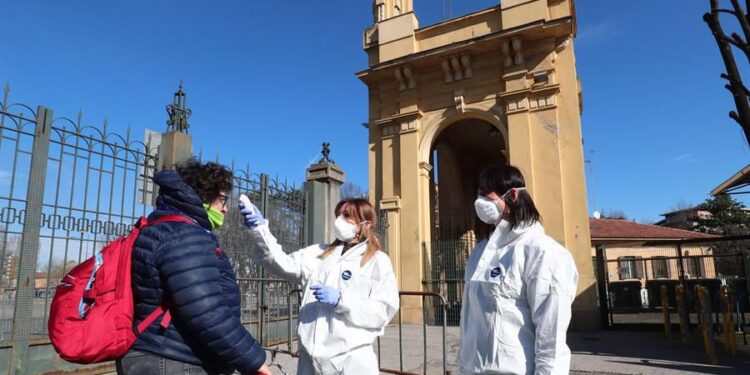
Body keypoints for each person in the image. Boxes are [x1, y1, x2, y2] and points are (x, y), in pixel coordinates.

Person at [117, 159, 271, 375]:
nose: (226, 209)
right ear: (203, 196)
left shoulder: (162, 227)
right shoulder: (184, 235)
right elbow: (206, 309)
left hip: (159, 353)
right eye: (222, 199)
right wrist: (254, 360)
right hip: (175, 359)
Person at [239, 197, 399, 375]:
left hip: (350, 361)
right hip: (310, 360)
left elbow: (383, 310)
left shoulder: (377, 261)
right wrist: (260, 230)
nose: (339, 221)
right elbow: (281, 263)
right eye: (338, 215)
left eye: (347, 216)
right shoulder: (318, 253)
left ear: (366, 224)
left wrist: (342, 300)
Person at [458, 165, 579, 375]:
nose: (480, 201)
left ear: (513, 194)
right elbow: (469, 320)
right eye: (479, 194)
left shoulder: (543, 252)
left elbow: (551, 337)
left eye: (487, 194)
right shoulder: (480, 253)